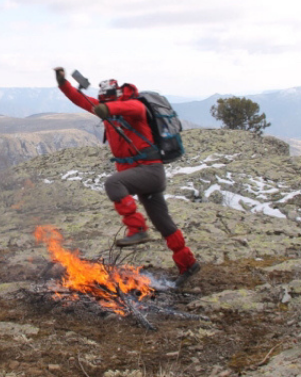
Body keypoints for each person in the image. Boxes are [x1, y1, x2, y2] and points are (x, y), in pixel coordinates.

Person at [53, 67, 199, 286]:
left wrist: (106, 107)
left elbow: (126, 107)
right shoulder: (109, 111)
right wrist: (63, 83)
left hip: (150, 172)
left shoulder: (135, 107)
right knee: (163, 223)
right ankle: (189, 264)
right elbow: (81, 100)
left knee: (114, 183)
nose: (104, 102)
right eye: (103, 99)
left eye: (107, 99)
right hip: (142, 175)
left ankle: (137, 229)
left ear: (116, 95)